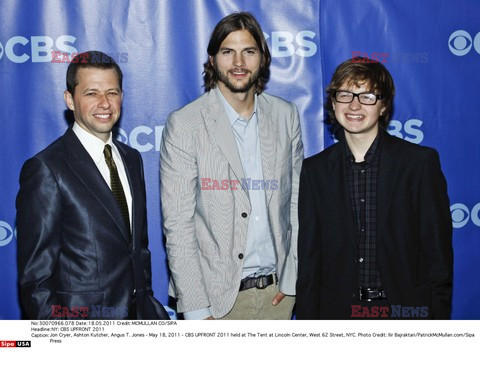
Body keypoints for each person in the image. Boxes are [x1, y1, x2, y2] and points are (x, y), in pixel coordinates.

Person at [160, 12, 303, 319]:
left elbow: (295, 203)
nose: (239, 62)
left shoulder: (285, 115)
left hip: (279, 297)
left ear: (263, 59)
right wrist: (197, 310)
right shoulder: (185, 124)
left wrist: (291, 280)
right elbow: (178, 226)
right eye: (228, 52)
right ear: (212, 59)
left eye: (248, 51)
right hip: (216, 302)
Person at [296, 57, 453, 319]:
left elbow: (438, 258)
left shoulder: (419, 164)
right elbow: (310, 262)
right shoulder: (315, 171)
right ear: (333, 103)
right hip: (337, 316)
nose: (354, 105)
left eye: (367, 96)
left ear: (383, 107)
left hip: (405, 312)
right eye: (345, 94)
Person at [17, 50, 168, 320]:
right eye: (91, 93)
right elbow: (36, 282)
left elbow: (136, 249)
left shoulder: (131, 159)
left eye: (112, 92)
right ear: (70, 100)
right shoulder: (47, 168)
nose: (104, 103)